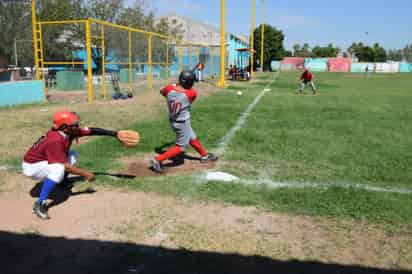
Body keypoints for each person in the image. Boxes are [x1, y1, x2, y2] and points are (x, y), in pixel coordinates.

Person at [22, 111, 125, 220]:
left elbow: (92, 131)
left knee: (73, 155)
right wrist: (86, 173)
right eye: (75, 125)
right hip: (32, 167)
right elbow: (65, 166)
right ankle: (39, 204)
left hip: (43, 161)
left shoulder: (68, 131)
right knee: (59, 168)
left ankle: (61, 182)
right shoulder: (55, 140)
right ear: (64, 127)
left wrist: (114, 134)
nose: (77, 127)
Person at [150, 70, 218, 173]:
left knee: (191, 137)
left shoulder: (169, 89)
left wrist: (174, 85)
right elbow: (186, 91)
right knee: (181, 147)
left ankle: (204, 155)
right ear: (189, 83)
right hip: (182, 123)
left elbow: (162, 91)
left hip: (174, 121)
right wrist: (177, 85)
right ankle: (157, 160)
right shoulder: (191, 94)